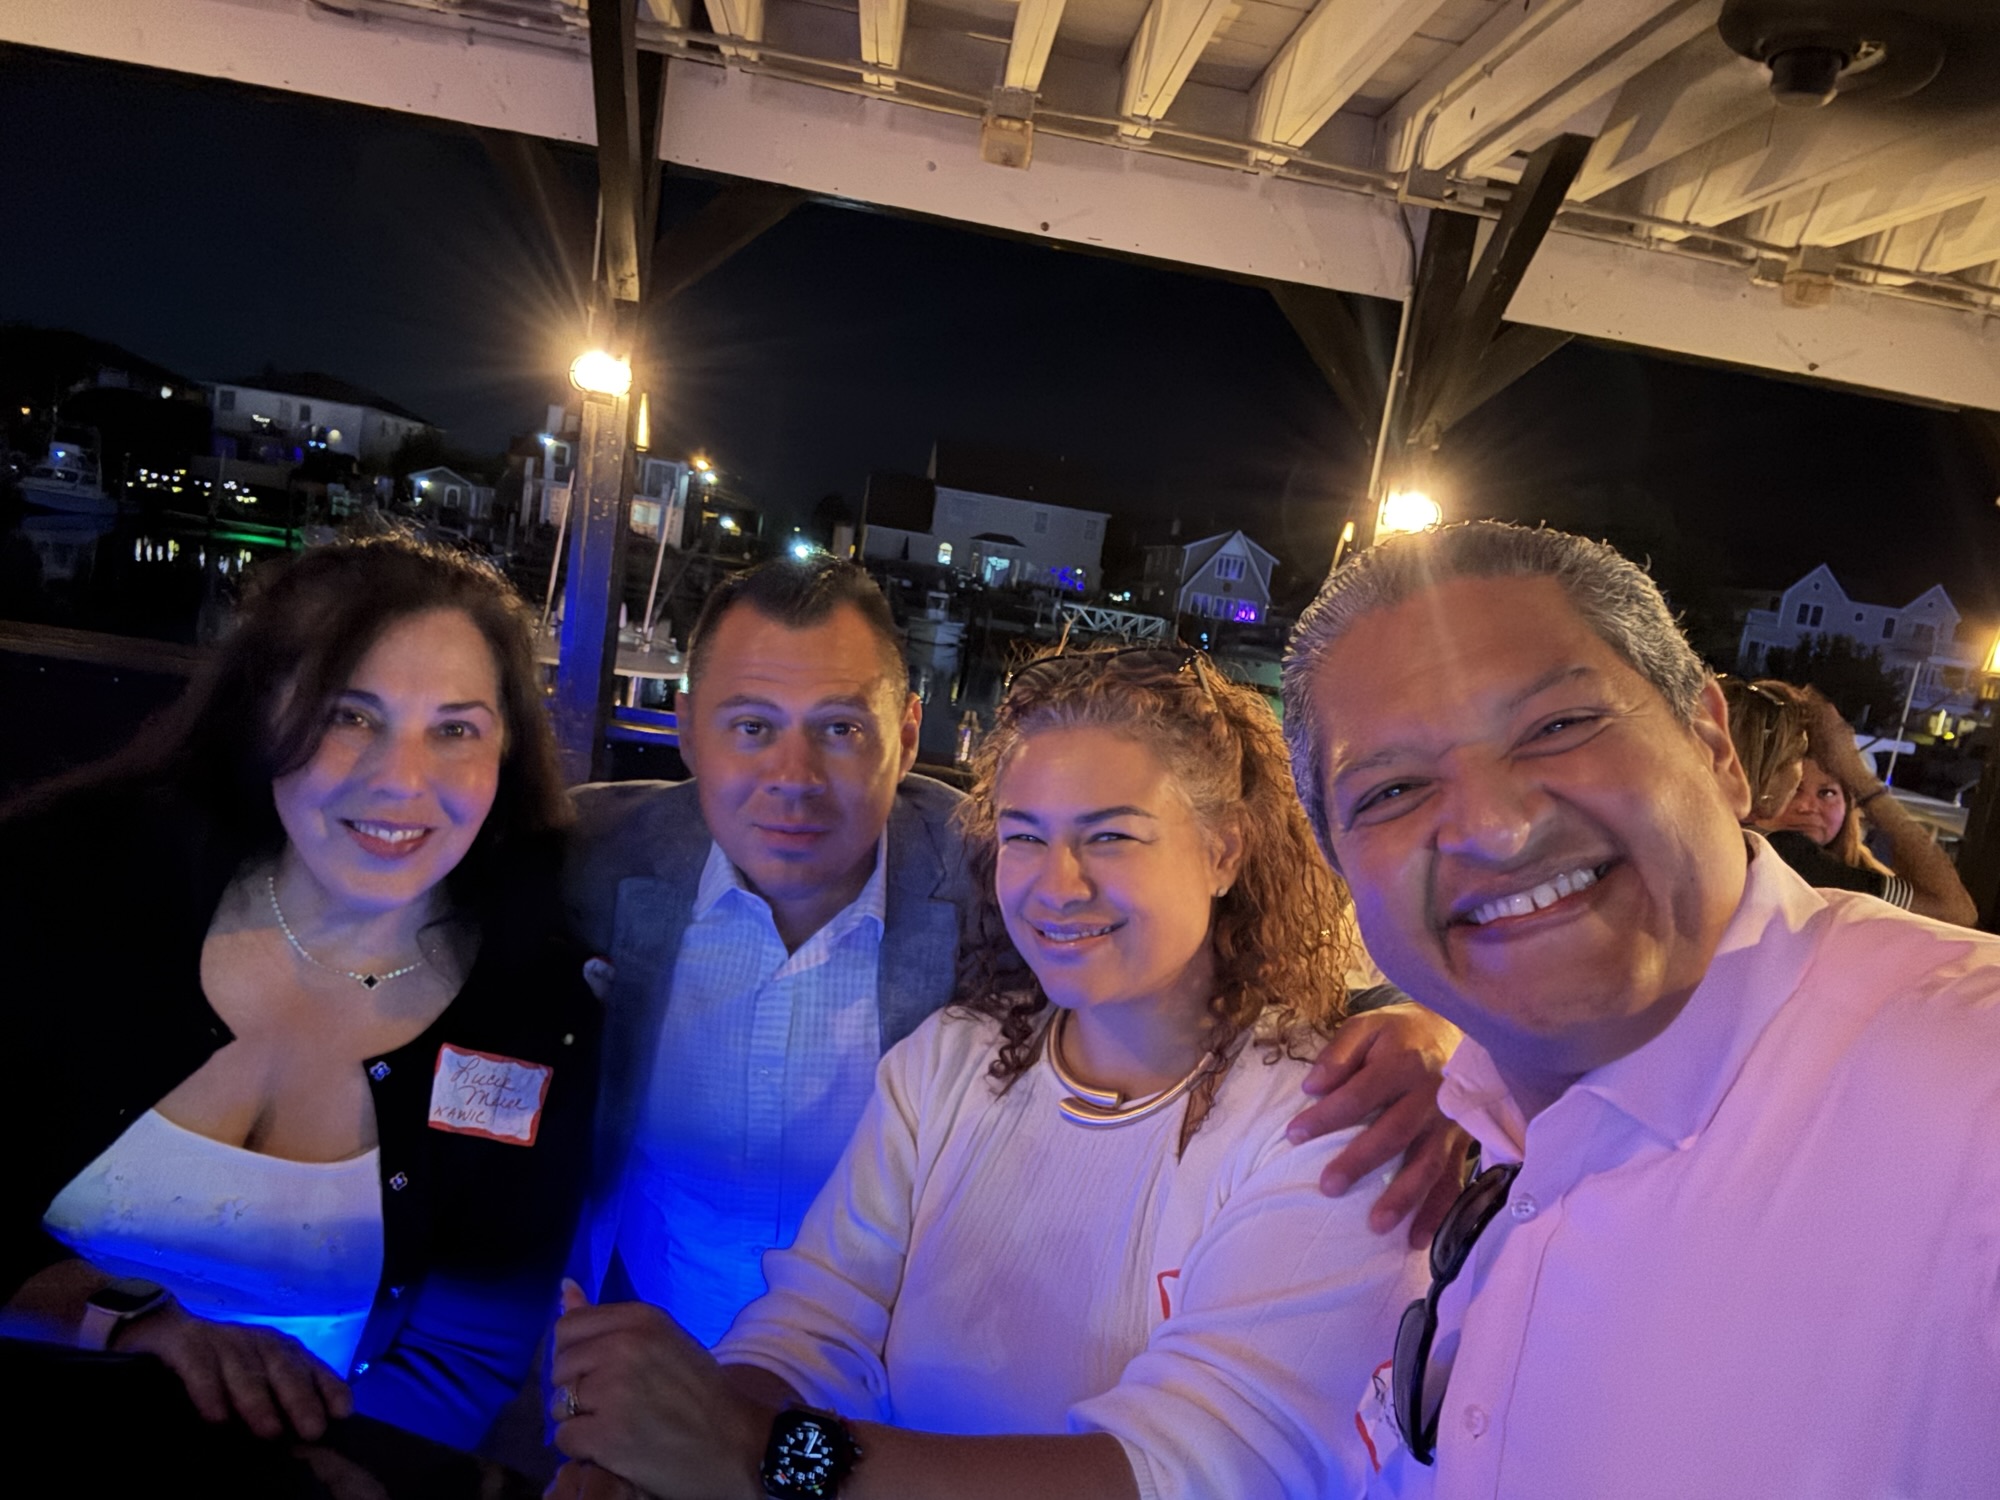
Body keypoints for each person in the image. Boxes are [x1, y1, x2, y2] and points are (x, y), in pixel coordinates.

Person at [547, 644, 1428, 1500]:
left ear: (1225, 850)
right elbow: (819, 1323)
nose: (1058, 885)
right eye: (1024, 837)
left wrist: (764, 1455)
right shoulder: (948, 1062)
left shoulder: (1328, 1121)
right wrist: (666, 1448)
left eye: (1111, 835)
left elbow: (1195, 1470)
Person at [1282, 519, 2000, 1498]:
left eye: (1556, 726)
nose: (1493, 828)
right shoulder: (1463, 1117)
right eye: (1394, 789)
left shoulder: (1966, 1092)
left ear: (1713, 747)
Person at [2, 534, 601, 1452]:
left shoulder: (537, 1012)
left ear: (507, 752)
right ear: (261, 714)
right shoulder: (75, 884)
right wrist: (119, 1320)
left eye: (456, 729)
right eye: (349, 716)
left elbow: (461, 1358)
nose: (402, 782)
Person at [1727, 678, 1978, 925]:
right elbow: (1956, 911)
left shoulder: (1845, 872)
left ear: (1850, 806)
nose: (1806, 806)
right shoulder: (1784, 855)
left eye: (1826, 793)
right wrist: (1860, 778)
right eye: (1795, 789)